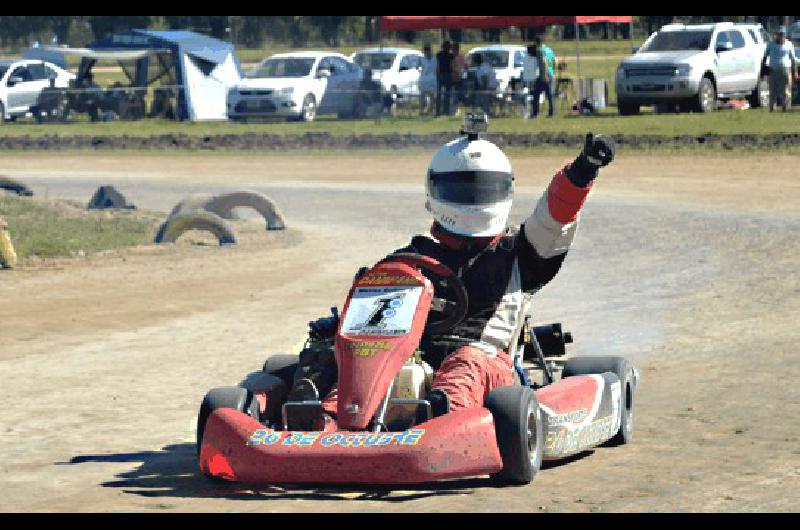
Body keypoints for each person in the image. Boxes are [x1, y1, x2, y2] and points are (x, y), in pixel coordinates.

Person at [272, 125, 616, 430]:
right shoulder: (410, 258)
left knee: (465, 365)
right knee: (359, 362)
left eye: (483, 191)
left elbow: (552, 220)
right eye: (462, 191)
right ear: (435, 190)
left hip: (486, 365)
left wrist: (582, 172)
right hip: (408, 358)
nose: (473, 200)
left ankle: (444, 422)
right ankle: (328, 420)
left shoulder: (519, 256)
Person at [763, 26, 799, 112]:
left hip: (785, 70)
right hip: (773, 70)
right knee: (772, 89)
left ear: (785, 35)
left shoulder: (789, 44)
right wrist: (764, 69)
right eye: (779, 34)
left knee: (786, 89)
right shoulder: (770, 44)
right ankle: (772, 107)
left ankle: (785, 107)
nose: (781, 36)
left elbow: (793, 59)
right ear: (776, 35)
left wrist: (795, 72)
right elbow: (765, 57)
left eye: (782, 35)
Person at [529, 41, 555, 118]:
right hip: (550, 75)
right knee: (550, 96)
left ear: (537, 44)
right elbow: (554, 61)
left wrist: (545, 75)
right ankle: (551, 113)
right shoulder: (549, 50)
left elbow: (544, 62)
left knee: (536, 95)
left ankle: (535, 113)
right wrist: (552, 72)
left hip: (543, 76)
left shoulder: (539, 51)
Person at [435, 41, 454, 116]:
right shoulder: (450, 55)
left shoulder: (438, 55)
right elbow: (452, 65)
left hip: (440, 74)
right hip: (447, 74)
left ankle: (438, 111)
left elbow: (437, 66)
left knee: (439, 94)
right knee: (447, 94)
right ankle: (446, 111)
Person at [419, 44, 438, 115]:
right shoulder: (422, 58)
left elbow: (436, 68)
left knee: (432, 96)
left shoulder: (434, 58)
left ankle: (430, 111)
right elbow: (419, 67)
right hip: (424, 79)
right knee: (423, 96)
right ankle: (421, 111)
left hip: (432, 79)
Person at [451, 42, 467, 111]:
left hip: (460, 78)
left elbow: (466, 67)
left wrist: (461, 71)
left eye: (455, 49)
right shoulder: (450, 57)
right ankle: (453, 108)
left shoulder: (461, 57)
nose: (454, 50)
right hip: (452, 78)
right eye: (453, 49)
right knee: (452, 94)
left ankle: (457, 108)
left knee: (459, 94)